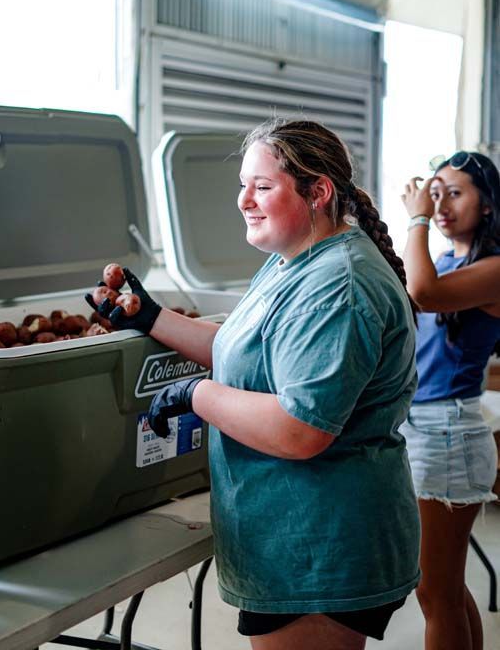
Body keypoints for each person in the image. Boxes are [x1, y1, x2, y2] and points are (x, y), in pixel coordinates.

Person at [89, 118, 420, 650]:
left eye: (262, 186)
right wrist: (149, 316)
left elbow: (300, 429)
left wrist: (198, 394)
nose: (244, 199)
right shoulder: (293, 260)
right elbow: (239, 348)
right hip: (288, 534)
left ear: (318, 192)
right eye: (242, 185)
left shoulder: (339, 284)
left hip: (321, 547)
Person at [400, 151, 500, 650]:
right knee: (446, 590)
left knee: (434, 591)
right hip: (425, 429)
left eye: (454, 192)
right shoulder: (444, 261)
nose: (439, 204)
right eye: (434, 193)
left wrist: (416, 217)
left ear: (488, 205)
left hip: (448, 434)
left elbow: (422, 292)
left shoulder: (495, 267)